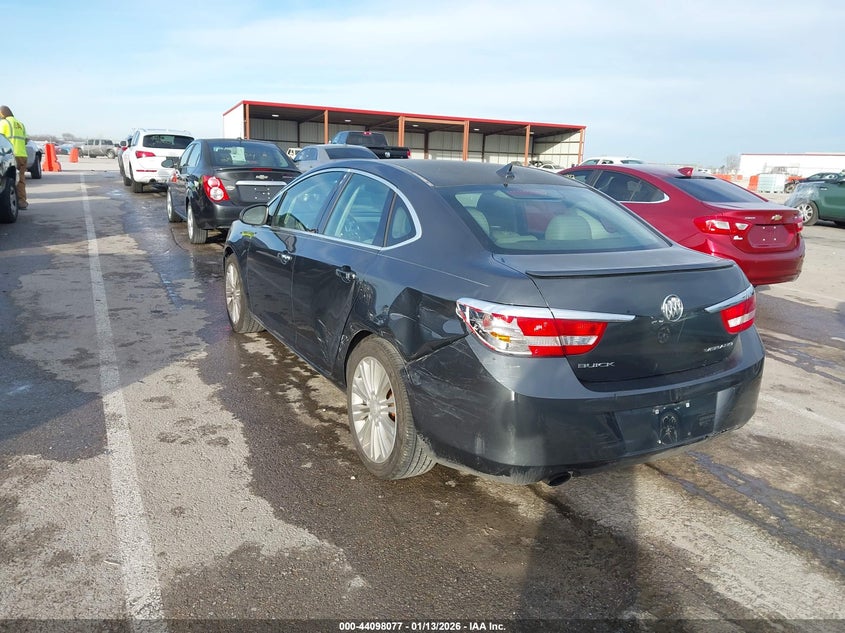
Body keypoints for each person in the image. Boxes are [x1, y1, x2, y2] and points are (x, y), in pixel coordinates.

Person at [0, 105, 28, 209]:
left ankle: (12, 202)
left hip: (10, 155)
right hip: (23, 155)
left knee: (6, 181)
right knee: (21, 179)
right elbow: (25, 140)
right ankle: (22, 202)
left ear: (2, 114)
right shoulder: (20, 124)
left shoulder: (3, 123)